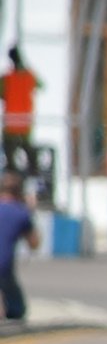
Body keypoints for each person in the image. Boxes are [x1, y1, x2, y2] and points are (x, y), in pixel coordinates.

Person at [0, 171, 39, 320]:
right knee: (17, 308)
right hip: (3, 266)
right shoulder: (21, 213)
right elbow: (34, 244)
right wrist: (31, 212)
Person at [1, 47, 42, 186]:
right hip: (25, 122)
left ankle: (12, 178)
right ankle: (33, 174)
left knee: (10, 153)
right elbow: (40, 85)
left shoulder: (7, 78)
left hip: (11, 122)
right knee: (28, 150)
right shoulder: (29, 75)